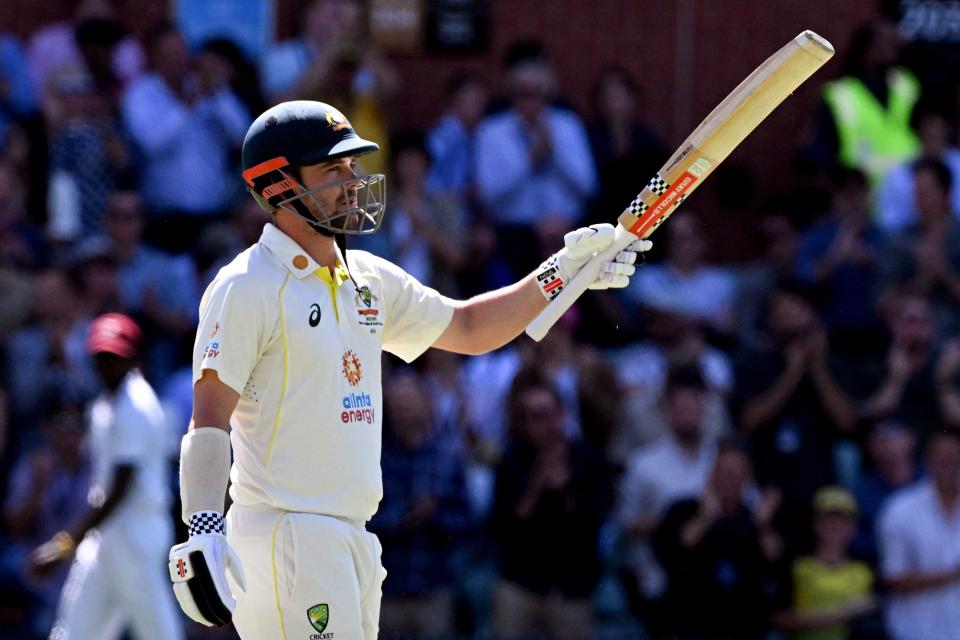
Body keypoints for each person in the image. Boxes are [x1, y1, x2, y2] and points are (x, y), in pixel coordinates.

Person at [166, 99, 650, 639]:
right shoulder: (245, 286)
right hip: (287, 535)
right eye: (333, 169)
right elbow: (208, 419)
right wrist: (203, 524)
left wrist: (563, 274)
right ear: (279, 185)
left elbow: (467, 328)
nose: (353, 181)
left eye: (352, 165)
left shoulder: (368, 278)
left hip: (350, 534)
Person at [28, 313, 183, 639]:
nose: (107, 364)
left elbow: (119, 490)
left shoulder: (137, 405)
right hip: (107, 535)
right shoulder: (106, 404)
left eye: (115, 357)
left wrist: (66, 543)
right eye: (101, 356)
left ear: (132, 358)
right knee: (73, 631)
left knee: (159, 632)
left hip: (136, 534)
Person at [653, 438, 784, 640]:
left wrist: (763, 526)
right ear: (711, 474)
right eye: (725, 472)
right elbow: (673, 553)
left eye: (738, 473)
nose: (731, 479)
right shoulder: (683, 510)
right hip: (691, 627)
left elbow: (775, 561)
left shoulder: (757, 519)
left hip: (744, 629)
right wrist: (705, 518)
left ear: (747, 478)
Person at [876, 428, 960, 640]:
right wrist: (952, 574)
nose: (948, 464)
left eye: (954, 457)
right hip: (916, 632)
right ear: (927, 459)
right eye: (941, 457)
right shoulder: (899, 509)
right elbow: (893, 578)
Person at [772, 486, 878, 640]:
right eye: (827, 519)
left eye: (842, 520)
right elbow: (778, 618)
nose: (834, 526)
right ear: (815, 523)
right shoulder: (797, 566)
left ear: (853, 527)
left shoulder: (865, 569)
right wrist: (835, 615)